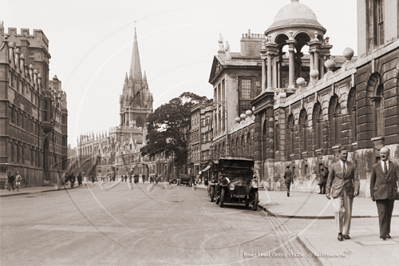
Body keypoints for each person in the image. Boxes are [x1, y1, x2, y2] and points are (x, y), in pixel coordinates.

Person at [326, 149, 360, 241]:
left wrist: (356, 189)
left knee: (348, 212)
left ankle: (346, 233)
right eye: (343, 154)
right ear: (339, 154)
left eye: (346, 154)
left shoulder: (352, 165)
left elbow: (356, 178)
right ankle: (339, 232)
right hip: (337, 190)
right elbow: (329, 179)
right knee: (338, 210)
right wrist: (327, 191)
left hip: (349, 190)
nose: (345, 155)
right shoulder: (333, 166)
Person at [370, 147, 399, 241]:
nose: (382, 155)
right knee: (382, 213)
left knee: (389, 213)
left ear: (388, 154)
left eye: (384, 153)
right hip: (379, 193)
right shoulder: (375, 166)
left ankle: (387, 232)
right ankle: (383, 234)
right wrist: (372, 194)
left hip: (391, 193)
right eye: (381, 153)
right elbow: (372, 181)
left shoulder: (394, 166)